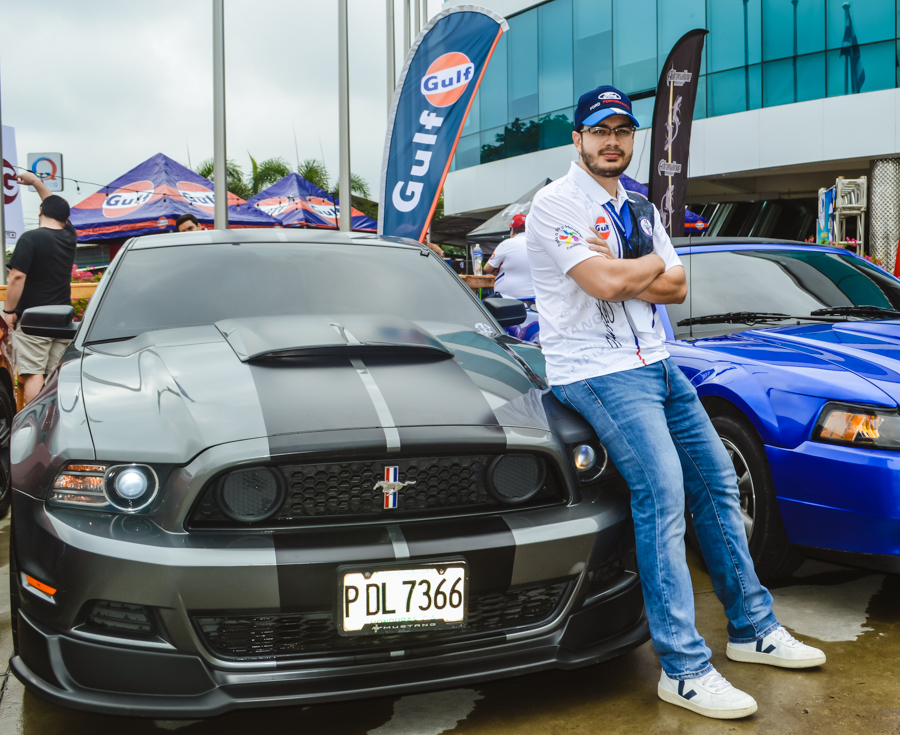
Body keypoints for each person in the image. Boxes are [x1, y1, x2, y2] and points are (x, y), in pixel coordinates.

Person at [526, 85, 825, 721]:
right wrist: (641, 270)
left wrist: (631, 268)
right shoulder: (553, 206)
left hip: (659, 363)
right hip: (596, 370)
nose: (613, 141)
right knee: (662, 493)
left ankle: (752, 629)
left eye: (623, 131)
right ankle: (684, 670)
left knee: (717, 482)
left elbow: (679, 284)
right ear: (577, 138)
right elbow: (603, 282)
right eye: (600, 130)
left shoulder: (638, 205)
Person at [3, 171, 77, 404]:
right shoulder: (69, 236)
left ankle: (34, 426)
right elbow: (56, 206)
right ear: (66, 219)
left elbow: (16, 277)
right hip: (62, 318)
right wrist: (37, 183)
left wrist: (8, 312)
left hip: (34, 318)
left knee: (33, 373)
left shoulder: (30, 238)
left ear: (40, 213)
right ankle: (56, 423)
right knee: (56, 374)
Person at [484, 213, 534, 300]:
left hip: (507, 298)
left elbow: (487, 269)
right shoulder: (537, 244)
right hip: (534, 297)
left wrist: (498, 269)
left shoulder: (507, 244)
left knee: (480, 308)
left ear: (513, 230)